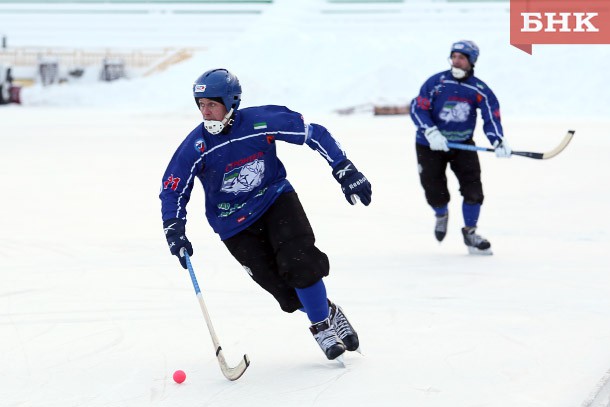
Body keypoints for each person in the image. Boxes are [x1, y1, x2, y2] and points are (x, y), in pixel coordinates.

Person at [159, 68, 372, 361]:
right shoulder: (196, 145)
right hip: (232, 224)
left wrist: (344, 168)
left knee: (300, 261)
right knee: (282, 289)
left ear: (230, 102)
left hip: (274, 200)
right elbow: (173, 187)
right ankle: (328, 309)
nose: (205, 112)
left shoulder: (261, 121)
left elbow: (314, 133)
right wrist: (173, 226)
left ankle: (321, 326)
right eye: (201, 105)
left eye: (212, 104)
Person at [410, 40, 511, 255]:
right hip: (430, 145)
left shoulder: (479, 89)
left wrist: (498, 140)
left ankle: (470, 233)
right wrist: (430, 131)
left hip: (463, 145)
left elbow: (491, 115)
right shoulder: (436, 83)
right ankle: (441, 214)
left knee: (473, 191)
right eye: (453, 56)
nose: (456, 61)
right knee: (434, 190)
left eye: (461, 58)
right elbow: (418, 108)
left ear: (471, 62)